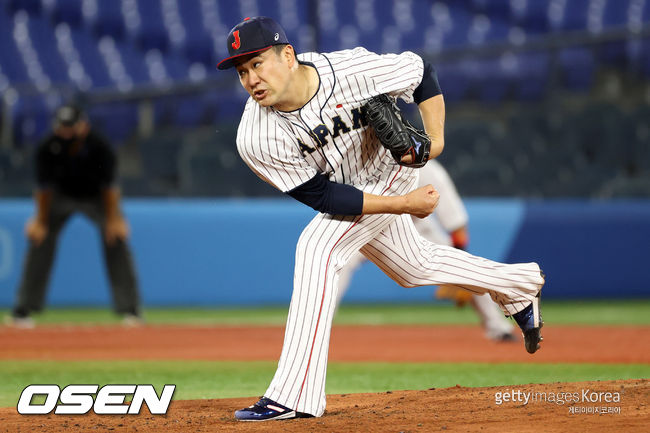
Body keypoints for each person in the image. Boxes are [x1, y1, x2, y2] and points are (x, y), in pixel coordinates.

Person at [217, 16, 544, 421]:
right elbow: (324, 196)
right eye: (242, 70)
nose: (250, 78)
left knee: (316, 248)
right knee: (414, 266)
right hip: (352, 190)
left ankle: (294, 396)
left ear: (288, 56)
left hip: (389, 168)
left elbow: (422, 71)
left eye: (257, 63)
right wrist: (404, 205)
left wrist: (435, 144)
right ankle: (519, 286)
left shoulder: (352, 71)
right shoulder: (256, 136)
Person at [336, 159, 516, 342]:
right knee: (338, 263)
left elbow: (456, 224)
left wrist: (460, 276)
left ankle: (499, 328)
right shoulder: (362, 158)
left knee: (463, 264)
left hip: (415, 227)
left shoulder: (428, 170)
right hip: (366, 222)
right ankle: (318, 326)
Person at [5, 104, 141, 328]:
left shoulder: (99, 146)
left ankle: (131, 309)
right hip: (60, 197)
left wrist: (115, 219)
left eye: (71, 127)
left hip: (96, 197)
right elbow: (43, 189)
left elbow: (110, 188)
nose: (66, 132)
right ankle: (24, 309)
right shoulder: (48, 147)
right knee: (39, 239)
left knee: (116, 238)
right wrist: (39, 221)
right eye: (63, 127)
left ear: (83, 126)